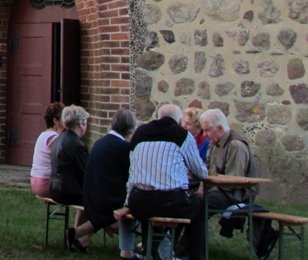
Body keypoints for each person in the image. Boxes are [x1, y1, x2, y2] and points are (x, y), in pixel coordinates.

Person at [121, 103, 207, 260]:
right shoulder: (183, 136)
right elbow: (200, 172)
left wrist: (128, 201)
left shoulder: (139, 134)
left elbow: (132, 172)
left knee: (153, 205)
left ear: (157, 117)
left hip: (139, 202)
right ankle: (194, 255)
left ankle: (151, 251)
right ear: (180, 120)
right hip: (171, 203)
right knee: (198, 206)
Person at [82, 108, 170, 260]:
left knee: (134, 202)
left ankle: (79, 234)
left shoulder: (99, 142)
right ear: (131, 129)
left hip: (92, 196)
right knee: (139, 203)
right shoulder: (124, 148)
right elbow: (135, 175)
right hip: (108, 200)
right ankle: (158, 253)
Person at [200, 108, 279, 259]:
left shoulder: (236, 145)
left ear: (220, 128)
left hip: (235, 195)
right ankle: (189, 248)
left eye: (207, 130)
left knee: (199, 203)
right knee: (190, 201)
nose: (205, 135)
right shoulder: (213, 145)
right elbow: (206, 169)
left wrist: (206, 183)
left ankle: (192, 250)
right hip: (218, 190)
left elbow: (233, 182)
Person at [49, 105, 93, 252]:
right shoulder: (77, 144)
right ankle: (79, 236)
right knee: (101, 202)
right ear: (81, 124)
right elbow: (85, 174)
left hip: (55, 188)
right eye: (85, 122)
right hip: (68, 191)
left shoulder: (60, 138)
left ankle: (80, 240)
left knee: (91, 199)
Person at [30, 101, 65, 198]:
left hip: (35, 181)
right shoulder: (53, 138)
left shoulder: (43, 135)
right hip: (45, 183)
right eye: (64, 118)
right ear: (56, 121)